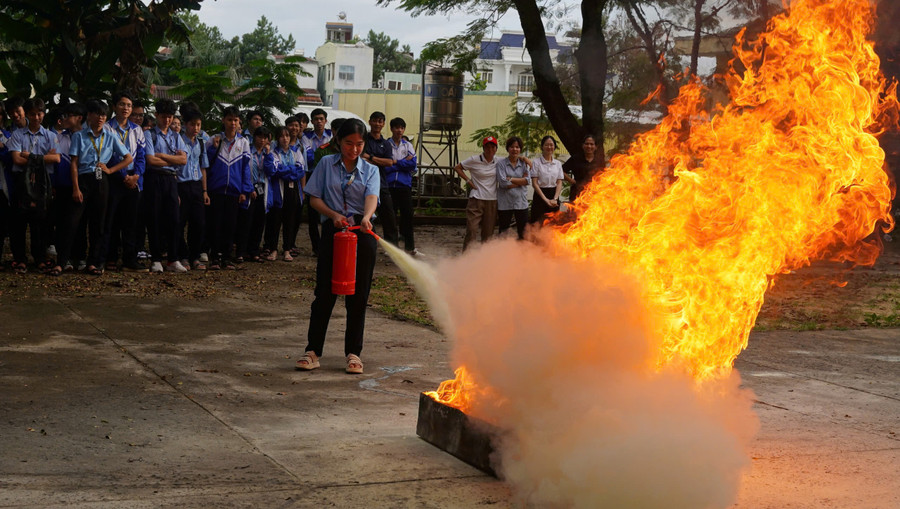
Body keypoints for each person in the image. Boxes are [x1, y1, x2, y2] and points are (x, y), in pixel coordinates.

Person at [296, 118, 380, 375]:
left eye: (359, 144)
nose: (353, 149)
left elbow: (371, 197)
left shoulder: (370, 170)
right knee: (324, 293)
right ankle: (313, 351)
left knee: (358, 295)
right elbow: (313, 198)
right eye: (348, 143)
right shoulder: (325, 164)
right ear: (338, 141)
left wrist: (366, 217)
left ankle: (354, 353)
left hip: (361, 234)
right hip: (334, 232)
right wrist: (333, 215)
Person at [56, 99, 132, 276]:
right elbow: (73, 163)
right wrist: (75, 188)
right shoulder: (79, 136)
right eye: (97, 113)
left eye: (104, 115)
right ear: (88, 116)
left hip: (102, 180)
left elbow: (128, 158)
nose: (100, 118)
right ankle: (61, 262)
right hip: (83, 179)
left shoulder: (110, 136)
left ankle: (94, 262)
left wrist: (111, 170)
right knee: (72, 222)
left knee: (98, 223)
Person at [7, 98, 60, 273]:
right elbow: (15, 159)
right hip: (20, 182)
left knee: (40, 223)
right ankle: (20, 259)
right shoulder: (17, 135)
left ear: (44, 114)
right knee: (18, 223)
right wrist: (42, 158)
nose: (36, 117)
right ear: (27, 115)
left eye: (39, 113)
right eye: (32, 114)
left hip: (42, 183)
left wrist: (29, 156)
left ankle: (40, 259)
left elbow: (56, 158)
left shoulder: (51, 136)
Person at [103, 91, 147, 272]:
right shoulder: (106, 128)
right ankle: (110, 258)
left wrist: (136, 175)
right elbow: (109, 156)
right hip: (113, 179)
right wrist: (124, 177)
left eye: (129, 105)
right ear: (114, 107)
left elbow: (142, 156)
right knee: (111, 220)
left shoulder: (137, 130)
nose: (126, 108)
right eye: (122, 104)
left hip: (133, 180)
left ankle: (130, 259)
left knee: (131, 222)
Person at [144, 99, 188, 273]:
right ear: (157, 116)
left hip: (171, 179)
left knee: (174, 219)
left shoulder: (176, 136)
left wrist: (162, 155)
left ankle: (173, 259)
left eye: (170, 117)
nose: (167, 121)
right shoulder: (149, 135)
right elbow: (150, 159)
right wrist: (172, 159)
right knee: (154, 218)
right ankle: (155, 258)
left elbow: (183, 160)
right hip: (154, 178)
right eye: (164, 117)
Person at [205, 106, 251, 270]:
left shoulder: (243, 142)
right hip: (216, 189)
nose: (232, 123)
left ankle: (226, 257)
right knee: (215, 224)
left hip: (234, 191)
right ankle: (215, 257)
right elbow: (206, 163)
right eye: (230, 119)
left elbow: (246, 168)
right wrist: (212, 148)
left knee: (230, 225)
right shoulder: (214, 139)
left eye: (236, 120)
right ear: (223, 120)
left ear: (240, 122)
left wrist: (245, 190)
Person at [177, 108, 210, 270]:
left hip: (197, 186)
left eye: (198, 125)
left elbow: (203, 168)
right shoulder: (178, 141)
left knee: (198, 223)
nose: (195, 128)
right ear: (185, 125)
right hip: (181, 185)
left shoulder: (201, 143)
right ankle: (182, 256)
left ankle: (194, 256)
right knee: (179, 222)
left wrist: (204, 191)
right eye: (192, 124)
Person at [236, 126, 274, 263]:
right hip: (249, 188)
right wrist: (248, 188)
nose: (262, 140)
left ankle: (254, 251)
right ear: (254, 137)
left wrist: (269, 155)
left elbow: (271, 172)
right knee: (246, 221)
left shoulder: (268, 154)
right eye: (260, 137)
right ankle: (241, 251)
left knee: (259, 221)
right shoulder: (248, 152)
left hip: (263, 189)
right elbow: (243, 171)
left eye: (265, 137)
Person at [454, 136, 499, 251]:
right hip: (476, 199)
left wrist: (526, 161)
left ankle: (483, 260)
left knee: (488, 233)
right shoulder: (474, 159)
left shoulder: (499, 161)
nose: (490, 150)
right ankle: (466, 258)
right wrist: (468, 181)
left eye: (492, 147)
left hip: (491, 200)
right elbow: (457, 167)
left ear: (496, 149)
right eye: (487, 147)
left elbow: (514, 159)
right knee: (472, 230)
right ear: (483, 148)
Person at [383, 117, 421, 256]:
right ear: (392, 129)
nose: (399, 130)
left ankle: (409, 247)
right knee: (390, 217)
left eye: (401, 128)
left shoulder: (408, 145)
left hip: (404, 186)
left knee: (408, 216)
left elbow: (412, 164)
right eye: (396, 127)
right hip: (389, 185)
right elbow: (384, 166)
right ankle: (391, 248)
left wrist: (394, 163)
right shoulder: (386, 145)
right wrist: (402, 162)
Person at [264, 126, 302, 260]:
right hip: (278, 190)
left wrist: (286, 171)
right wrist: (290, 170)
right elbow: (274, 170)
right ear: (277, 138)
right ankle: (273, 249)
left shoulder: (296, 151)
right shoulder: (274, 153)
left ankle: (287, 250)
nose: (285, 138)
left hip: (292, 190)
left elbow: (300, 170)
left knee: (290, 220)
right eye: (281, 136)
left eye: (287, 136)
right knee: (275, 220)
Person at [362, 111, 399, 244]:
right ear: (370, 121)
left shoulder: (386, 143)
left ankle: (393, 247)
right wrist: (379, 160)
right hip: (363, 184)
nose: (377, 124)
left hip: (382, 183)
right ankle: (366, 243)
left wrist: (371, 157)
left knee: (389, 217)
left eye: (380, 121)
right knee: (365, 214)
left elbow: (389, 162)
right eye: (375, 120)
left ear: (383, 124)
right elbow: (361, 158)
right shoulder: (363, 140)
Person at [301, 108, 332, 256]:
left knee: (329, 213)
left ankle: (327, 245)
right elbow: (309, 157)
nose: (319, 122)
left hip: (329, 179)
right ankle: (316, 248)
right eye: (316, 119)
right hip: (312, 177)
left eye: (321, 119)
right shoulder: (306, 137)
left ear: (326, 121)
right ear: (312, 121)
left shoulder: (332, 136)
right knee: (313, 216)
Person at [496, 136, 530, 240]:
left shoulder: (524, 163)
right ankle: (503, 253)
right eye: (512, 147)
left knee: (523, 233)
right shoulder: (501, 164)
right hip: (505, 203)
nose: (515, 149)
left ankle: (522, 254)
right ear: (507, 148)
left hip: (521, 202)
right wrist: (520, 181)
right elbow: (502, 183)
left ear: (520, 149)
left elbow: (528, 180)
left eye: (517, 147)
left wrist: (510, 178)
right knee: (503, 232)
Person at [529, 135, 565, 225]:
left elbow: (559, 182)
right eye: (546, 145)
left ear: (554, 147)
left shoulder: (558, 164)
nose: (549, 147)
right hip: (540, 196)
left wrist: (555, 199)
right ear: (542, 147)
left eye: (551, 145)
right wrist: (546, 200)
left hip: (554, 195)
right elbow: (534, 183)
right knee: (537, 224)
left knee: (554, 224)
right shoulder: (536, 162)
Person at [563, 134, 603, 203]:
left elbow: (604, 176)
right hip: (577, 194)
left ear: (596, 147)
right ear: (583, 145)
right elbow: (561, 171)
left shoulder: (599, 160)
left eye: (591, 144)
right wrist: (572, 181)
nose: (589, 146)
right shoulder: (575, 159)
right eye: (587, 144)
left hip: (594, 195)